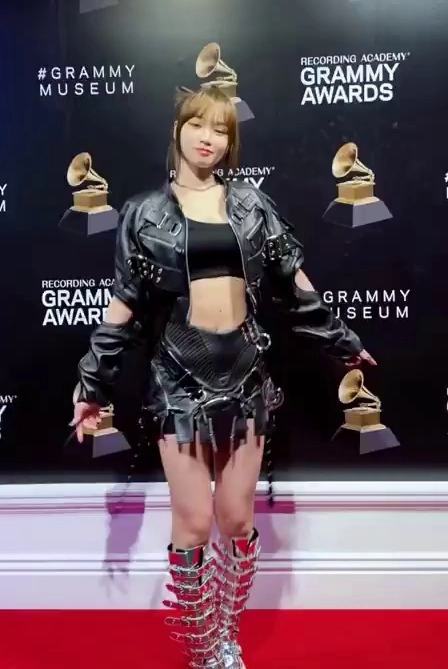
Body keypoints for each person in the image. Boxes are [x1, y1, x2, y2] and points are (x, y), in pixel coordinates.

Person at [71, 86, 375, 669]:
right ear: (178, 130)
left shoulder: (251, 204)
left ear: (231, 142)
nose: (209, 138)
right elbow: (124, 306)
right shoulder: (143, 212)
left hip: (245, 377)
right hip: (177, 382)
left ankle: (226, 641)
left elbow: (294, 281)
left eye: (222, 129)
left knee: (237, 520)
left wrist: (343, 341)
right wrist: (93, 384)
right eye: (199, 125)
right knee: (193, 523)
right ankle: (203, 652)